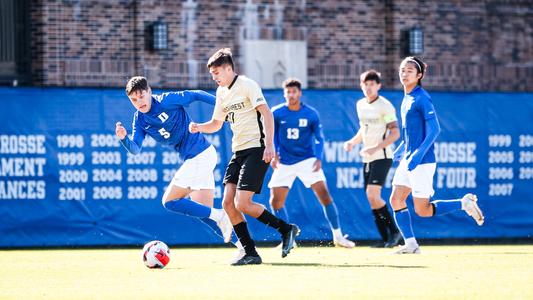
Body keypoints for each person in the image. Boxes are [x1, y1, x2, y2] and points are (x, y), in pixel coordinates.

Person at [189, 48, 299, 266]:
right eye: (212, 73)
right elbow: (216, 124)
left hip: (257, 149)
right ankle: (251, 253)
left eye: (217, 72)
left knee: (243, 202)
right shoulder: (221, 93)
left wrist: (269, 145)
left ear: (229, 68)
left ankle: (286, 229)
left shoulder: (247, 85)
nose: (214, 76)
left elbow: (267, 114)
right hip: (238, 152)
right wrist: (199, 127)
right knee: (228, 203)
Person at [115, 76, 237, 250]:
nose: (138, 102)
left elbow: (196, 94)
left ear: (149, 91)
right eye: (133, 99)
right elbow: (135, 149)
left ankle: (221, 215)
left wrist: (221, 105)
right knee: (203, 212)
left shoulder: (167, 100)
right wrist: (123, 138)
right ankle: (244, 247)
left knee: (170, 201)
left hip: (200, 155)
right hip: (198, 157)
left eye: (141, 96)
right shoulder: (140, 120)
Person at [390, 57, 484, 254]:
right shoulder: (407, 98)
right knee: (396, 199)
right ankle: (411, 245)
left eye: (409, 71)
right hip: (409, 158)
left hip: (422, 161)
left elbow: (435, 130)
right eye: (402, 70)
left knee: (422, 210)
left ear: (419, 75)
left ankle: (463, 203)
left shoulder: (422, 98)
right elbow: (411, 133)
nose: (404, 73)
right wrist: (402, 149)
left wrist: (418, 154)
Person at [269, 78, 355, 248]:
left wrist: (318, 157)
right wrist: (274, 154)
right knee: (275, 201)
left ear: (300, 93)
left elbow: (320, 137)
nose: (291, 95)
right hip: (285, 162)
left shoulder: (311, 113)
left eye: (294, 92)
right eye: (288, 92)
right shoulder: (277, 113)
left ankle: (337, 236)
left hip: (307, 160)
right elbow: (273, 135)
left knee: (324, 195)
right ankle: (288, 238)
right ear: (284, 94)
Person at [343, 70, 402, 248]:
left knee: (372, 194)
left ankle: (396, 233)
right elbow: (364, 129)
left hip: (382, 156)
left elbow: (395, 133)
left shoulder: (385, 106)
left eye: (371, 84)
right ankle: (386, 238)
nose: (368, 88)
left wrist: (376, 147)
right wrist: (353, 142)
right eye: (365, 84)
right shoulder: (360, 104)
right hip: (368, 158)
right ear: (361, 86)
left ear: (378, 86)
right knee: (371, 198)